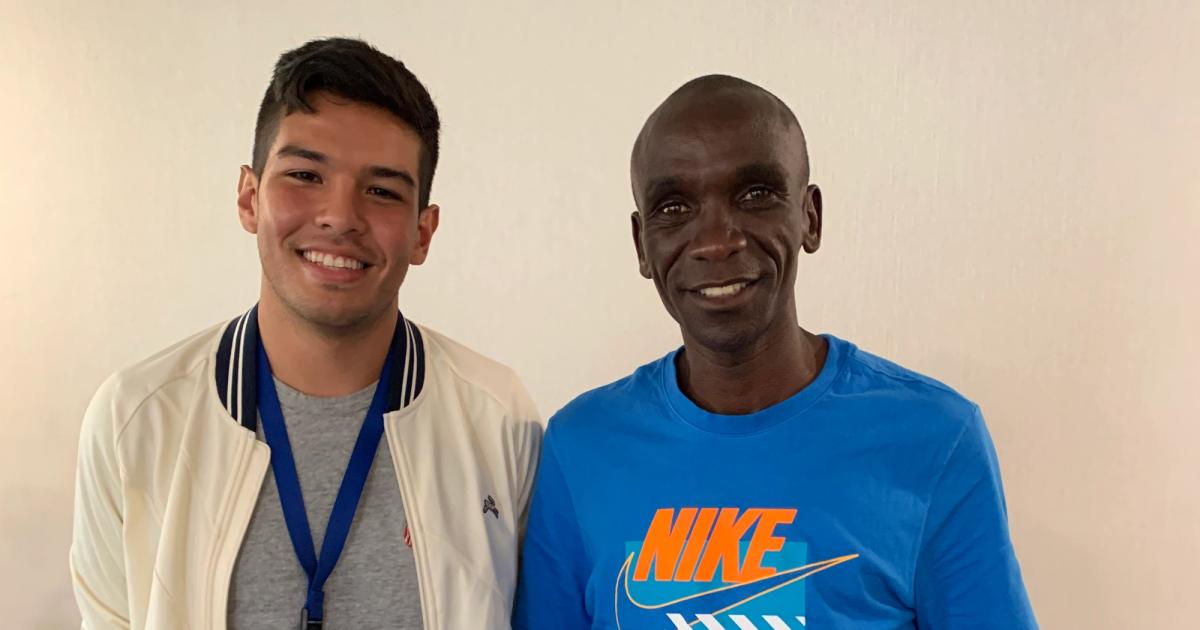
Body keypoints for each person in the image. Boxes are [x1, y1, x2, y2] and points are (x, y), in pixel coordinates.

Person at [514, 75, 1036, 629]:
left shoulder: (936, 439)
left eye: (755, 195)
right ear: (643, 244)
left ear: (809, 216)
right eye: (674, 207)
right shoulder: (580, 447)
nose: (717, 241)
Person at [70, 37, 543, 630]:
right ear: (249, 197)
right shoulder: (135, 419)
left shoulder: (498, 416)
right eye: (304, 174)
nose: (340, 216)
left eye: (382, 191)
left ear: (423, 231)